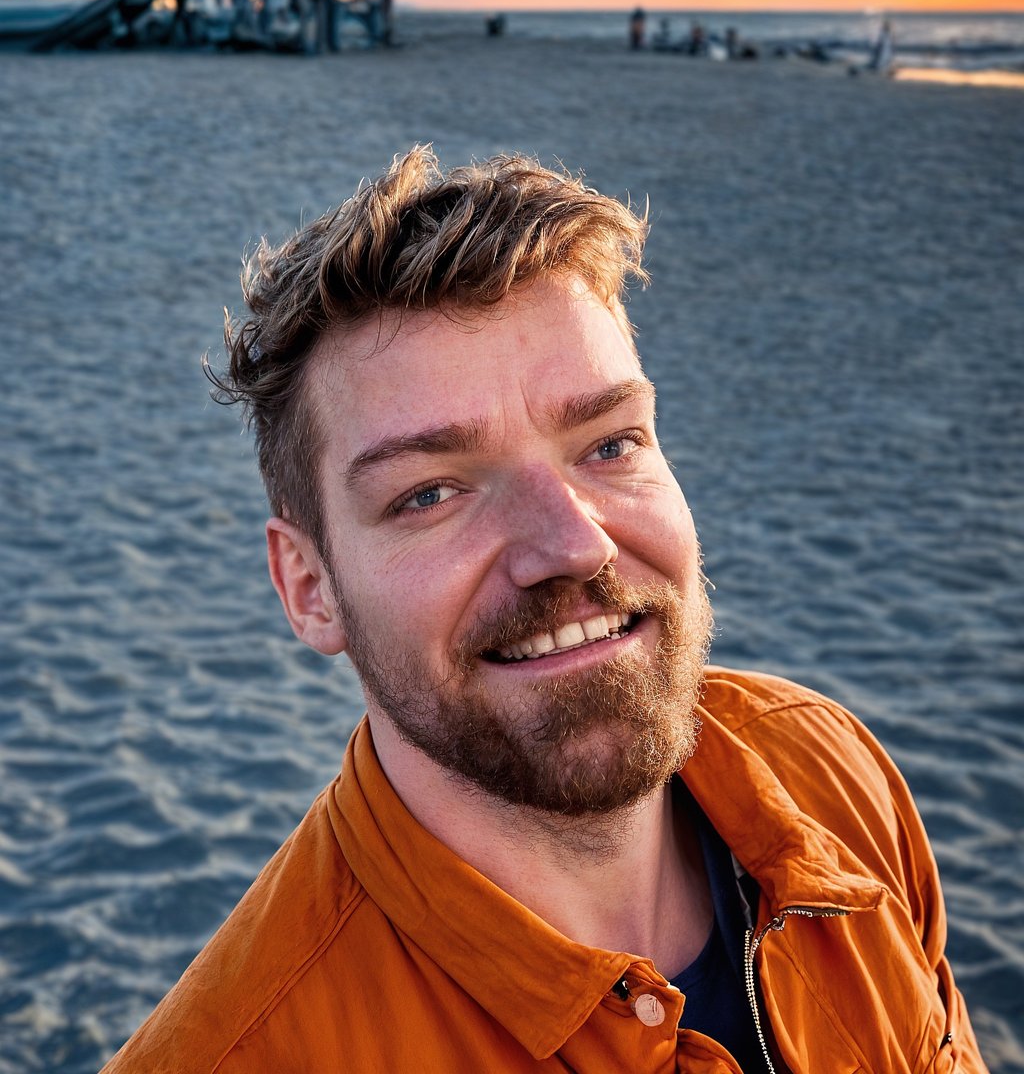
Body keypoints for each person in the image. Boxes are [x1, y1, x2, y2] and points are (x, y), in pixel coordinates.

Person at [103, 148, 985, 1073]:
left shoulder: (832, 770)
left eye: (610, 443)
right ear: (309, 587)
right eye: (432, 493)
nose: (572, 544)